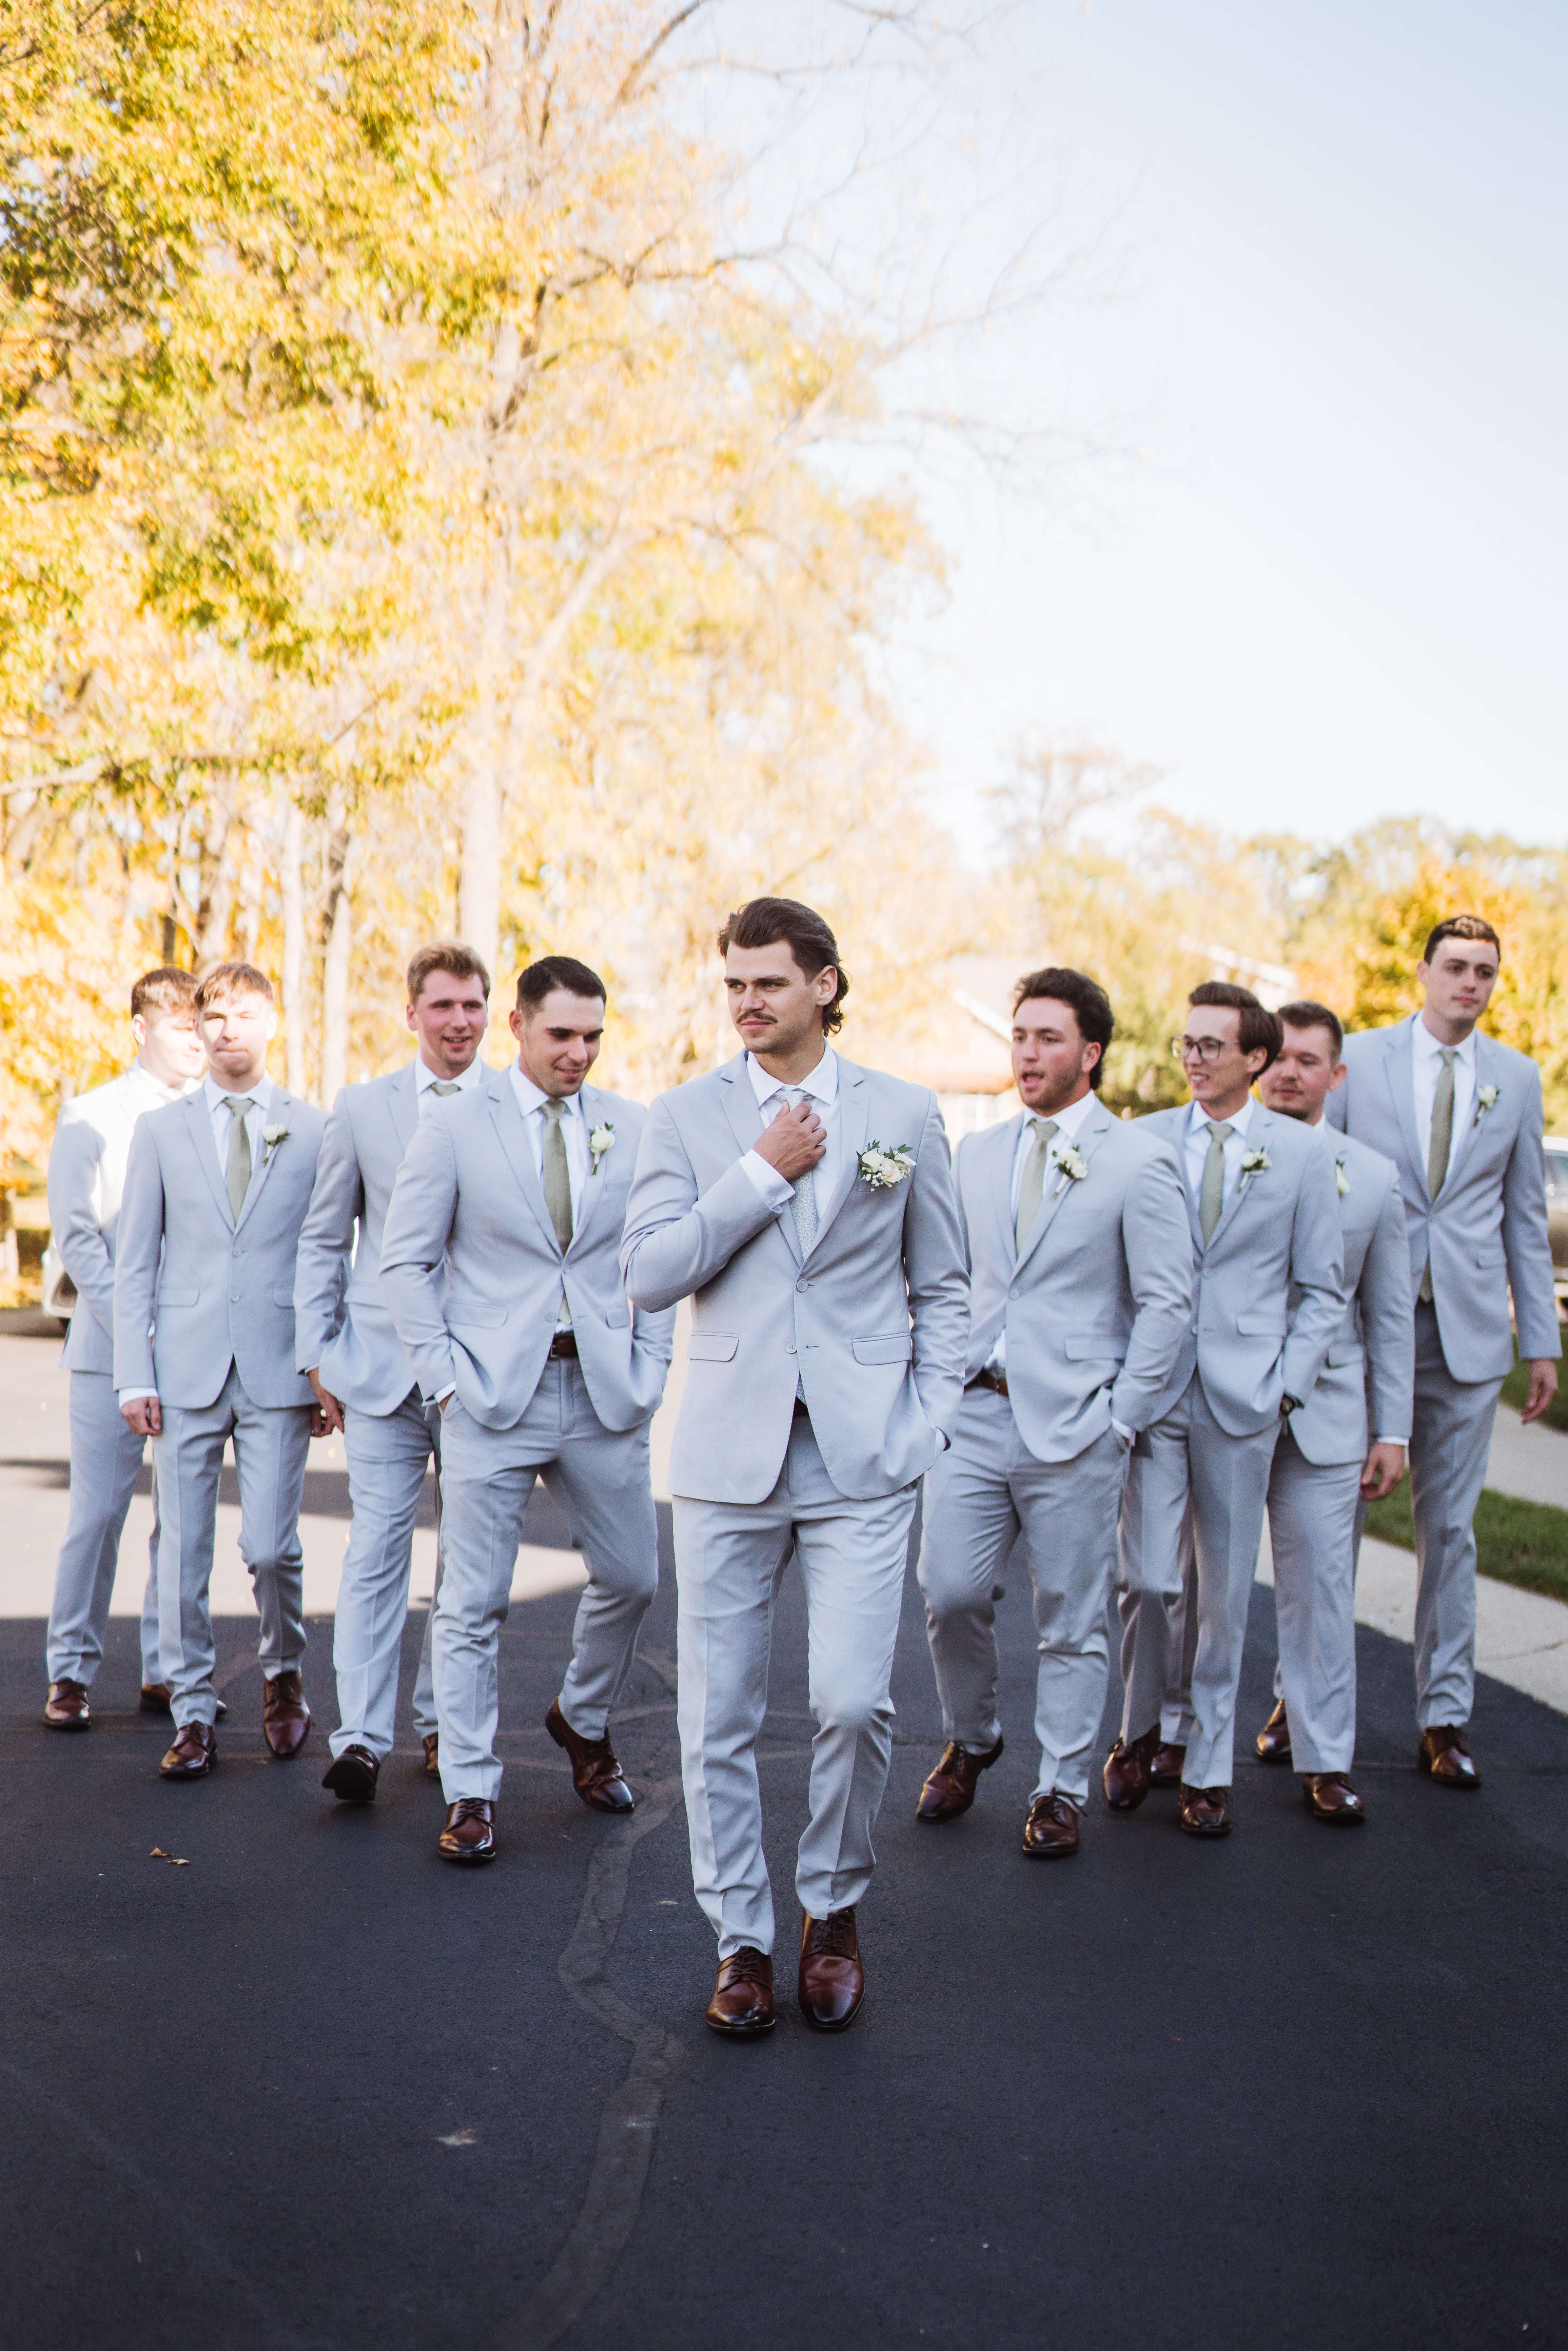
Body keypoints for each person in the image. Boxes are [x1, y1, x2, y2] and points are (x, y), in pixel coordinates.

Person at [621, 897, 968, 2038]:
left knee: (853, 1703)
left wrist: (930, 1418)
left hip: (866, 1451)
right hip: (728, 1454)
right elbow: (652, 1272)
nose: (747, 1001)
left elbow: (946, 1287)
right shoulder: (682, 1118)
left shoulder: (904, 1112)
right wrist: (760, 1173)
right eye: (733, 983)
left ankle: (832, 1911)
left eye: (768, 980)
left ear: (824, 983)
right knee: (716, 1715)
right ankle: (741, 1940)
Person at [380, 955, 673, 1867]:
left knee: (633, 1576)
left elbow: (657, 1256)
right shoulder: (457, 1123)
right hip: (491, 1393)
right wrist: (446, 1380)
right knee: (471, 1600)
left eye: (593, 1035)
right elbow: (404, 1260)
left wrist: (651, 1362)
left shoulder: (633, 1125)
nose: (579, 1052)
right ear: (518, 1026)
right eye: (562, 1035)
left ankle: (582, 1717)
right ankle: (471, 1785)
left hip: (600, 1390)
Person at [914, 967, 1192, 1857]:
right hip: (974, 1411)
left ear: (1091, 1052)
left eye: (1047, 1038)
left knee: (1073, 1615)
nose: (1027, 1053)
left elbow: (1169, 1304)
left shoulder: (1139, 1157)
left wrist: (1123, 1415)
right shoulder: (980, 1150)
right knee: (949, 1590)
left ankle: (1060, 1786)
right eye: (1020, 1035)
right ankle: (976, 1736)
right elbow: (951, 1279)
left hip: (1079, 1421)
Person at [1325, 916, 1559, 1786]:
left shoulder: (1518, 1077)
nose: (1469, 982)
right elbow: (1328, 1179)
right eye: (1455, 966)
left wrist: (1540, 1338)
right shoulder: (1365, 1058)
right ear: (1423, 971)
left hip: (1465, 1335)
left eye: (1485, 971)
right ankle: (1298, 1697)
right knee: (1330, 1522)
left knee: (1451, 1531)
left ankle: (1446, 1715)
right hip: (1358, 1330)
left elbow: (1524, 1221)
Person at [1106, 981, 1343, 1837]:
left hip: (1247, 1394)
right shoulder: (1140, 1142)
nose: (1196, 1058)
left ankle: (1206, 1763)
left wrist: (1285, 1385)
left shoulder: (1304, 1155)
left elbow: (1324, 1289)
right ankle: (1138, 1734)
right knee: (1148, 1577)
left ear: (1256, 1058)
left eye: (1214, 1045)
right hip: (1156, 1384)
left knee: (1226, 1595)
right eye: (1188, 1042)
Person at [114, 962, 327, 1779]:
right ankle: (194, 1709)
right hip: (185, 1366)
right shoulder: (162, 1133)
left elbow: (326, 1257)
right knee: (184, 1550)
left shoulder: (312, 1128)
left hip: (280, 1364)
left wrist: (324, 1360)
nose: (227, 1028)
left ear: (271, 1020)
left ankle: (283, 1675)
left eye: (243, 1013)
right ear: (198, 1029)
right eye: (213, 1016)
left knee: (271, 1546)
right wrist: (135, 1373)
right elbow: (137, 1262)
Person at [293, 942, 493, 1804]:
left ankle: (445, 1721)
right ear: (411, 1013)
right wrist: (317, 1349)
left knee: (467, 1561)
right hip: (378, 1366)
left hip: (480, 1369)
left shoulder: (513, 1107)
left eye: (473, 1006)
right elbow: (324, 1236)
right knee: (377, 1549)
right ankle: (362, 1738)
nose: (458, 1021)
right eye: (442, 1005)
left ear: (492, 1014)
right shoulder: (363, 1108)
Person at [1240, 1003, 1414, 1820]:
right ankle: (1169, 1742)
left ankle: (1326, 1758)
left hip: (1329, 1412)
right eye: (1276, 1056)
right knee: (1193, 1585)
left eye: (1308, 1061)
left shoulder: (1372, 1176)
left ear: (1334, 1077)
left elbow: (1387, 1315)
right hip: (1223, 1404)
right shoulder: (1212, 1153)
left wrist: (1392, 1429)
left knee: (1319, 1586)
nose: (1288, 1072)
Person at [42, 968, 206, 1731]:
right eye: (180, 1026)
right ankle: (70, 1670)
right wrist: (134, 1321)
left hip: (197, 1351)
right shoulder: (92, 1115)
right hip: (112, 1348)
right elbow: (78, 1236)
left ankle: (166, 1670)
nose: (197, 1039)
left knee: (181, 1519)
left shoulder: (215, 1115)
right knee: (100, 1512)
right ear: (141, 1028)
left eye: (202, 1024)